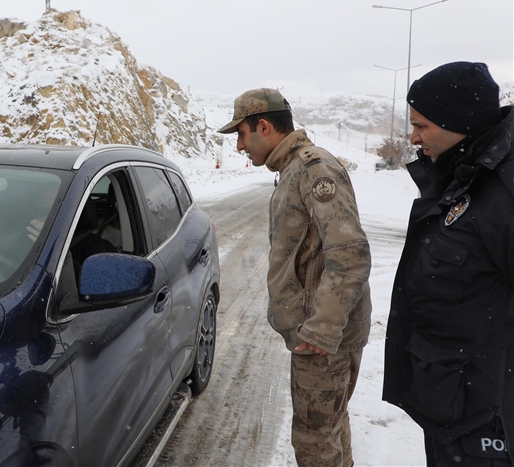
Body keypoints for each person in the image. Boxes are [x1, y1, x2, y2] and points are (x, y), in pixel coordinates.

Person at [217, 88, 372, 467]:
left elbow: (349, 255)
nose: (239, 146)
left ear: (264, 126)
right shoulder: (294, 170)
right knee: (329, 433)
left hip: (324, 344)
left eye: (241, 134)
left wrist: (319, 331)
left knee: (315, 446)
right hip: (322, 340)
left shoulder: (313, 169)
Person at [382, 62, 513, 466]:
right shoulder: (464, 177)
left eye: (421, 125)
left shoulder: (503, 195)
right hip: (453, 405)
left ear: (459, 123)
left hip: (488, 421)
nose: (413, 136)